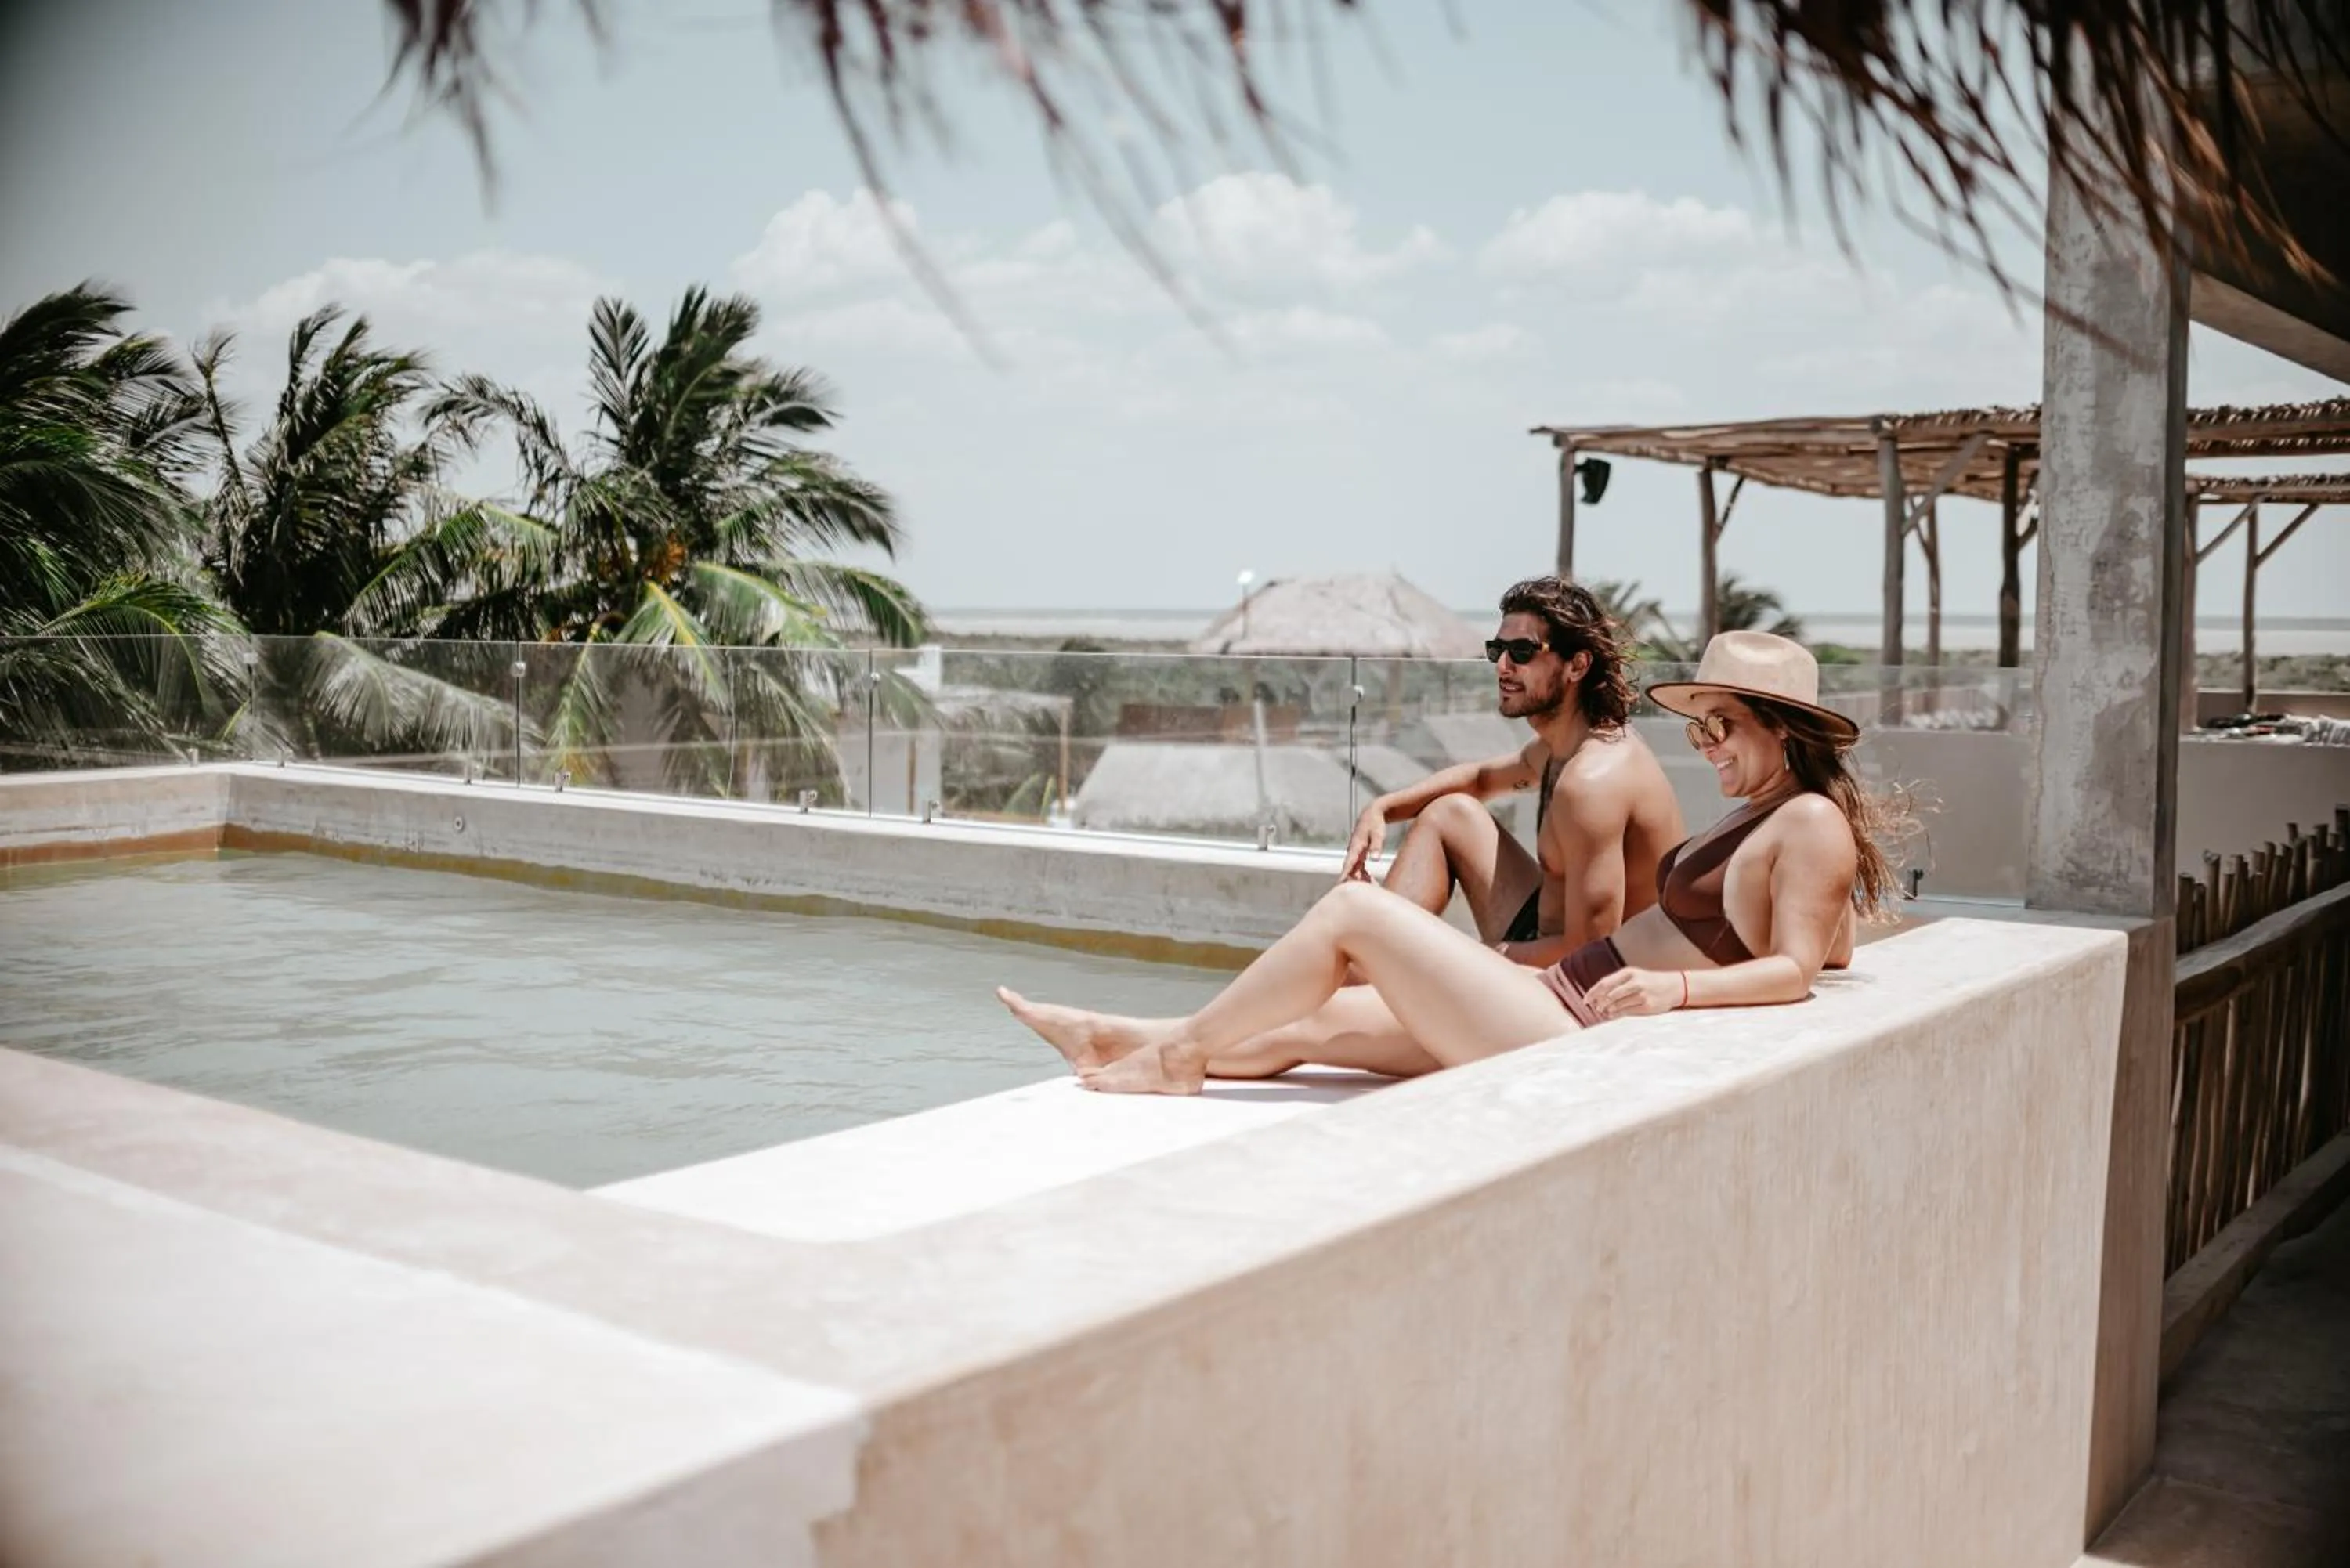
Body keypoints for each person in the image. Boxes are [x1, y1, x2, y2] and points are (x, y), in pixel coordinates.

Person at [999, 631, 1907, 1095]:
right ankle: (1109, 1035)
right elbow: (1833, 952)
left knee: (1354, 920)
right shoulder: (1772, 816)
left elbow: (1793, 972)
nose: (1705, 745)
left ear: (1781, 729)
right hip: (1557, 1005)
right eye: (1700, 726)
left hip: (1569, 1027)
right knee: (1307, 1029)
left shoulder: (1810, 821)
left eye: (1722, 727)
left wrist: (1673, 992)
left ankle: (1179, 1057)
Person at [1342, 576, 1683, 967]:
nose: (1503, 666)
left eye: (1522, 651)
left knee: (1390, 973)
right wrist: (1382, 809)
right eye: (1497, 650)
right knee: (1450, 812)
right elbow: (1482, 779)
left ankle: (1374, 970)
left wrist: (1456, 958)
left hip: (1594, 981)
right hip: (1545, 936)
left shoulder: (1594, 781)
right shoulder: (1561, 747)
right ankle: (1374, 966)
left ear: (1577, 665)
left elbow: (1590, 953)